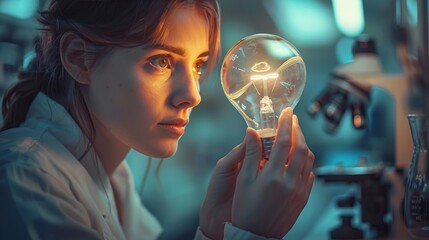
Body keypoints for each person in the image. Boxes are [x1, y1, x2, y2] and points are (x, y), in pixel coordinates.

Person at [0, 0, 315, 239]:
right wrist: (251, 232)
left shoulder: (110, 174)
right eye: (161, 61)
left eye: (198, 64)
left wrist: (214, 229)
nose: (193, 95)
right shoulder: (26, 179)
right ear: (77, 58)